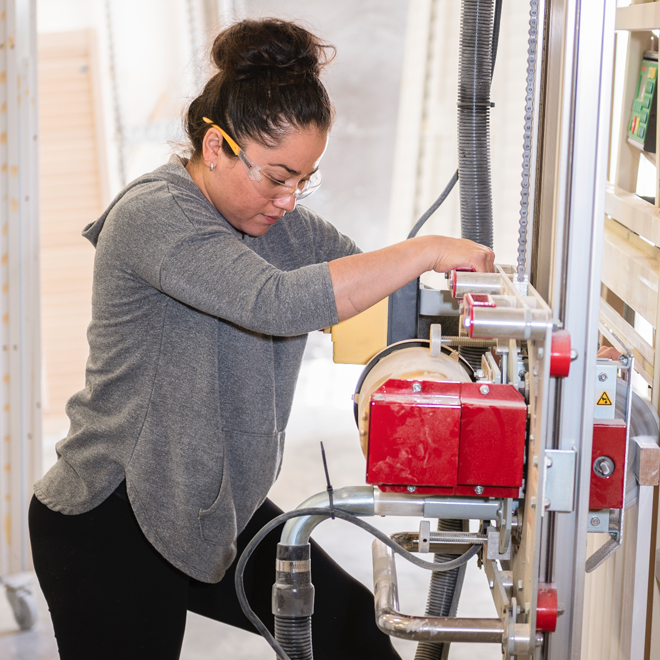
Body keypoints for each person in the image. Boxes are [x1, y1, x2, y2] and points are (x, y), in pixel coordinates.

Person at [28, 18, 495, 660]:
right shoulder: (154, 216)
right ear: (215, 146)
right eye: (276, 176)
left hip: (212, 501)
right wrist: (429, 248)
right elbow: (276, 303)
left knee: (346, 627)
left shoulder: (286, 226)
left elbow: (370, 301)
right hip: (115, 516)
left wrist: (501, 338)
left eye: (304, 179)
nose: (289, 198)